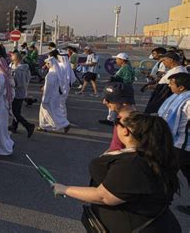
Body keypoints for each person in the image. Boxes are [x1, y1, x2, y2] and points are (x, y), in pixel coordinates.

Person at [52, 113, 182, 233]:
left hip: (137, 226)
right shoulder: (157, 154)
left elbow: (104, 196)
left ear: (126, 131)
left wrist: (65, 189)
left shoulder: (133, 164)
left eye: (117, 123)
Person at [158, 72, 190, 213]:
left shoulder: (188, 102)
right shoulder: (180, 97)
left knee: (166, 176)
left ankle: (161, 205)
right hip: (180, 145)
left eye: (171, 83)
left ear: (181, 87)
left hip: (181, 147)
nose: (169, 86)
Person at [99, 53, 136, 125]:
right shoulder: (126, 67)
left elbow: (127, 81)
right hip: (123, 89)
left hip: (122, 90)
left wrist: (115, 80)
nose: (116, 61)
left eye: (117, 59)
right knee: (117, 104)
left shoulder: (126, 68)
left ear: (122, 60)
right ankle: (112, 119)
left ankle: (116, 120)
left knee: (117, 104)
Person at [37, 57, 70, 133]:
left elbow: (49, 88)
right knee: (47, 112)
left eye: (47, 63)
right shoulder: (56, 72)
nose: (46, 65)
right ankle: (44, 125)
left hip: (49, 96)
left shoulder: (51, 74)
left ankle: (64, 124)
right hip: (55, 95)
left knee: (51, 112)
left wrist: (45, 98)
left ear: (49, 64)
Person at [102, 82, 137, 152]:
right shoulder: (120, 118)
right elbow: (115, 147)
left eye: (108, 100)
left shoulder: (131, 124)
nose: (104, 102)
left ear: (124, 102)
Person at [9, 52, 35, 137]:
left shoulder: (18, 70)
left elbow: (17, 83)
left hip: (17, 93)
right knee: (17, 111)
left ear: (16, 59)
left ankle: (28, 125)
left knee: (14, 112)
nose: (11, 59)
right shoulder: (25, 68)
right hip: (22, 92)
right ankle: (14, 126)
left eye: (12, 58)